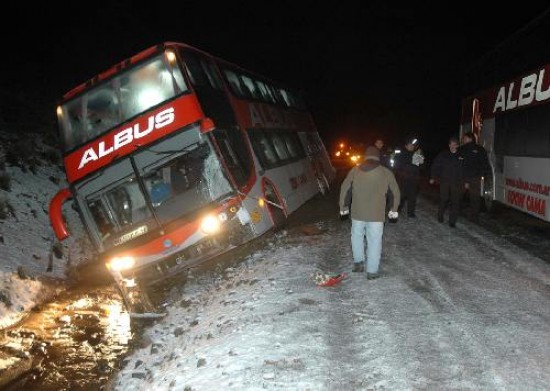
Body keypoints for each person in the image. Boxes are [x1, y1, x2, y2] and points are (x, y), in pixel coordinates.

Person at [339, 146, 401, 279]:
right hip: (376, 215)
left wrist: (343, 206)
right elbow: (395, 192)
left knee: (356, 237)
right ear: (378, 157)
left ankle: (358, 263)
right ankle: (372, 271)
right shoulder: (386, 172)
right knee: (374, 241)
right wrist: (393, 209)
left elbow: (345, 188)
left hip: (357, 213)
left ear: (365, 157)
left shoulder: (355, 170)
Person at [429, 136, 463, 227]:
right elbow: (435, 165)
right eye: (451, 144)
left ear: (457, 146)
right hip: (444, 181)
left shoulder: (461, 156)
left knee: (455, 202)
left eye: (455, 145)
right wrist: (433, 177)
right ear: (449, 145)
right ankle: (440, 216)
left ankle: (452, 222)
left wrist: (465, 181)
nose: (453, 146)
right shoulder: (443, 155)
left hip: (456, 183)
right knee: (443, 199)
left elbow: (465, 170)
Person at [459, 132, 490, 222]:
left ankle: (457, 212)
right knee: (475, 198)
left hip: (464, 177)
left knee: (459, 195)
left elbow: (458, 163)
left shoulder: (462, 149)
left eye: (464, 138)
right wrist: (482, 175)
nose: (463, 140)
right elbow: (485, 164)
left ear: (469, 139)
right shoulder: (481, 149)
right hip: (475, 178)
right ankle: (474, 217)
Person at [394, 137, 424, 218]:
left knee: (412, 196)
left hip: (413, 180)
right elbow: (396, 166)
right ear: (406, 146)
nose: (411, 146)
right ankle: (397, 209)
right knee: (401, 196)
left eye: (412, 145)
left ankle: (411, 213)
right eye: (409, 145)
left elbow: (421, 166)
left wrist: (420, 157)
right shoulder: (400, 154)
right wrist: (401, 173)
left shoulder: (416, 154)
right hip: (402, 179)